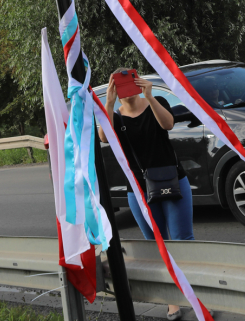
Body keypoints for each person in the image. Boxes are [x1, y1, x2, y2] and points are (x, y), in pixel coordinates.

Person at [99, 70, 192, 321]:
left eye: (130, 80)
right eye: (121, 84)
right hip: (139, 191)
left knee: (183, 241)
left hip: (173, 180)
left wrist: (150, 96)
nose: (127, 87)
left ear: (138, 80)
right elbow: (104, 137)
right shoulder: (115, 118)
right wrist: (109, 102)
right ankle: (173, 301)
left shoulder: (157, 102)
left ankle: (196, 296)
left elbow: (168, 124)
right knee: (157, 245)